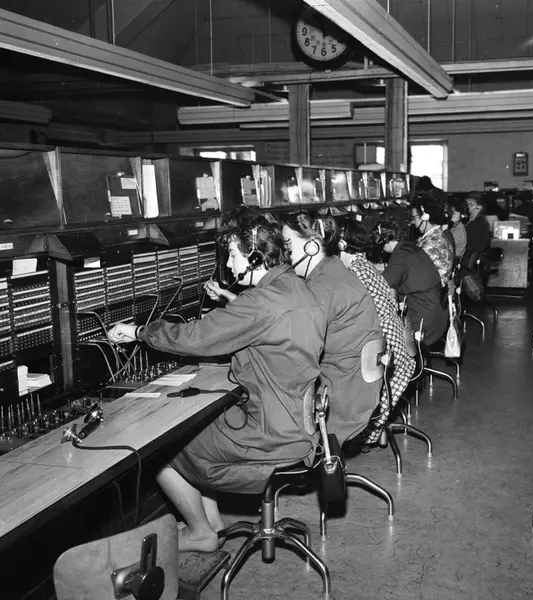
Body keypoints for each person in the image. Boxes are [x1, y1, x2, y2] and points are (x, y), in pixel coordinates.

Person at [107, 218, 325, 553]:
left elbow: (195, 337)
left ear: (255, 256)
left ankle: (201, 533)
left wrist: (139, 332)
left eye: (233, 255)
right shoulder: (298, 287)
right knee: (201, 425)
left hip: (271, 438)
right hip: (297, 426)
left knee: (159, 448)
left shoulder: (262, 301)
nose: (229, 265)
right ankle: (213, 524)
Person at [281, 211, 384, 446]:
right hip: (357, 388)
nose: (284, 254)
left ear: (312, 246)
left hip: (339, 399)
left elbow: (295, 352)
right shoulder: (336, 272)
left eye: (287, 246)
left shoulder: (322, 288)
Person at [338, 219, 415, 444]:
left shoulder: (353, 272)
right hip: (395, 339)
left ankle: (363, 431)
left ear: (341, 244)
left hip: (384, 346)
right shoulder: (364, 264)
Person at [376, 220, 448, 347]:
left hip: (423, 322)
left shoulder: (401, 255)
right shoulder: (408, 247)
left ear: (383, 241)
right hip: (435, 314)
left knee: (378, 324)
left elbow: (382, 285)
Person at [410, 197, 454, 287]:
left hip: (428, 290)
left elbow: (417, 272)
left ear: (425, 216)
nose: (413, 222)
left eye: (414, 218)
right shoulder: (439, 235)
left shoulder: (431, 243)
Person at [462, 192, 491, 271]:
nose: (467, 207)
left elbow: (472, 243)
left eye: (471, 205)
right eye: (466, 205)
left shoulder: (479, 222)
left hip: (469, 258)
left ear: (479, 207)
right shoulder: (470, 221)